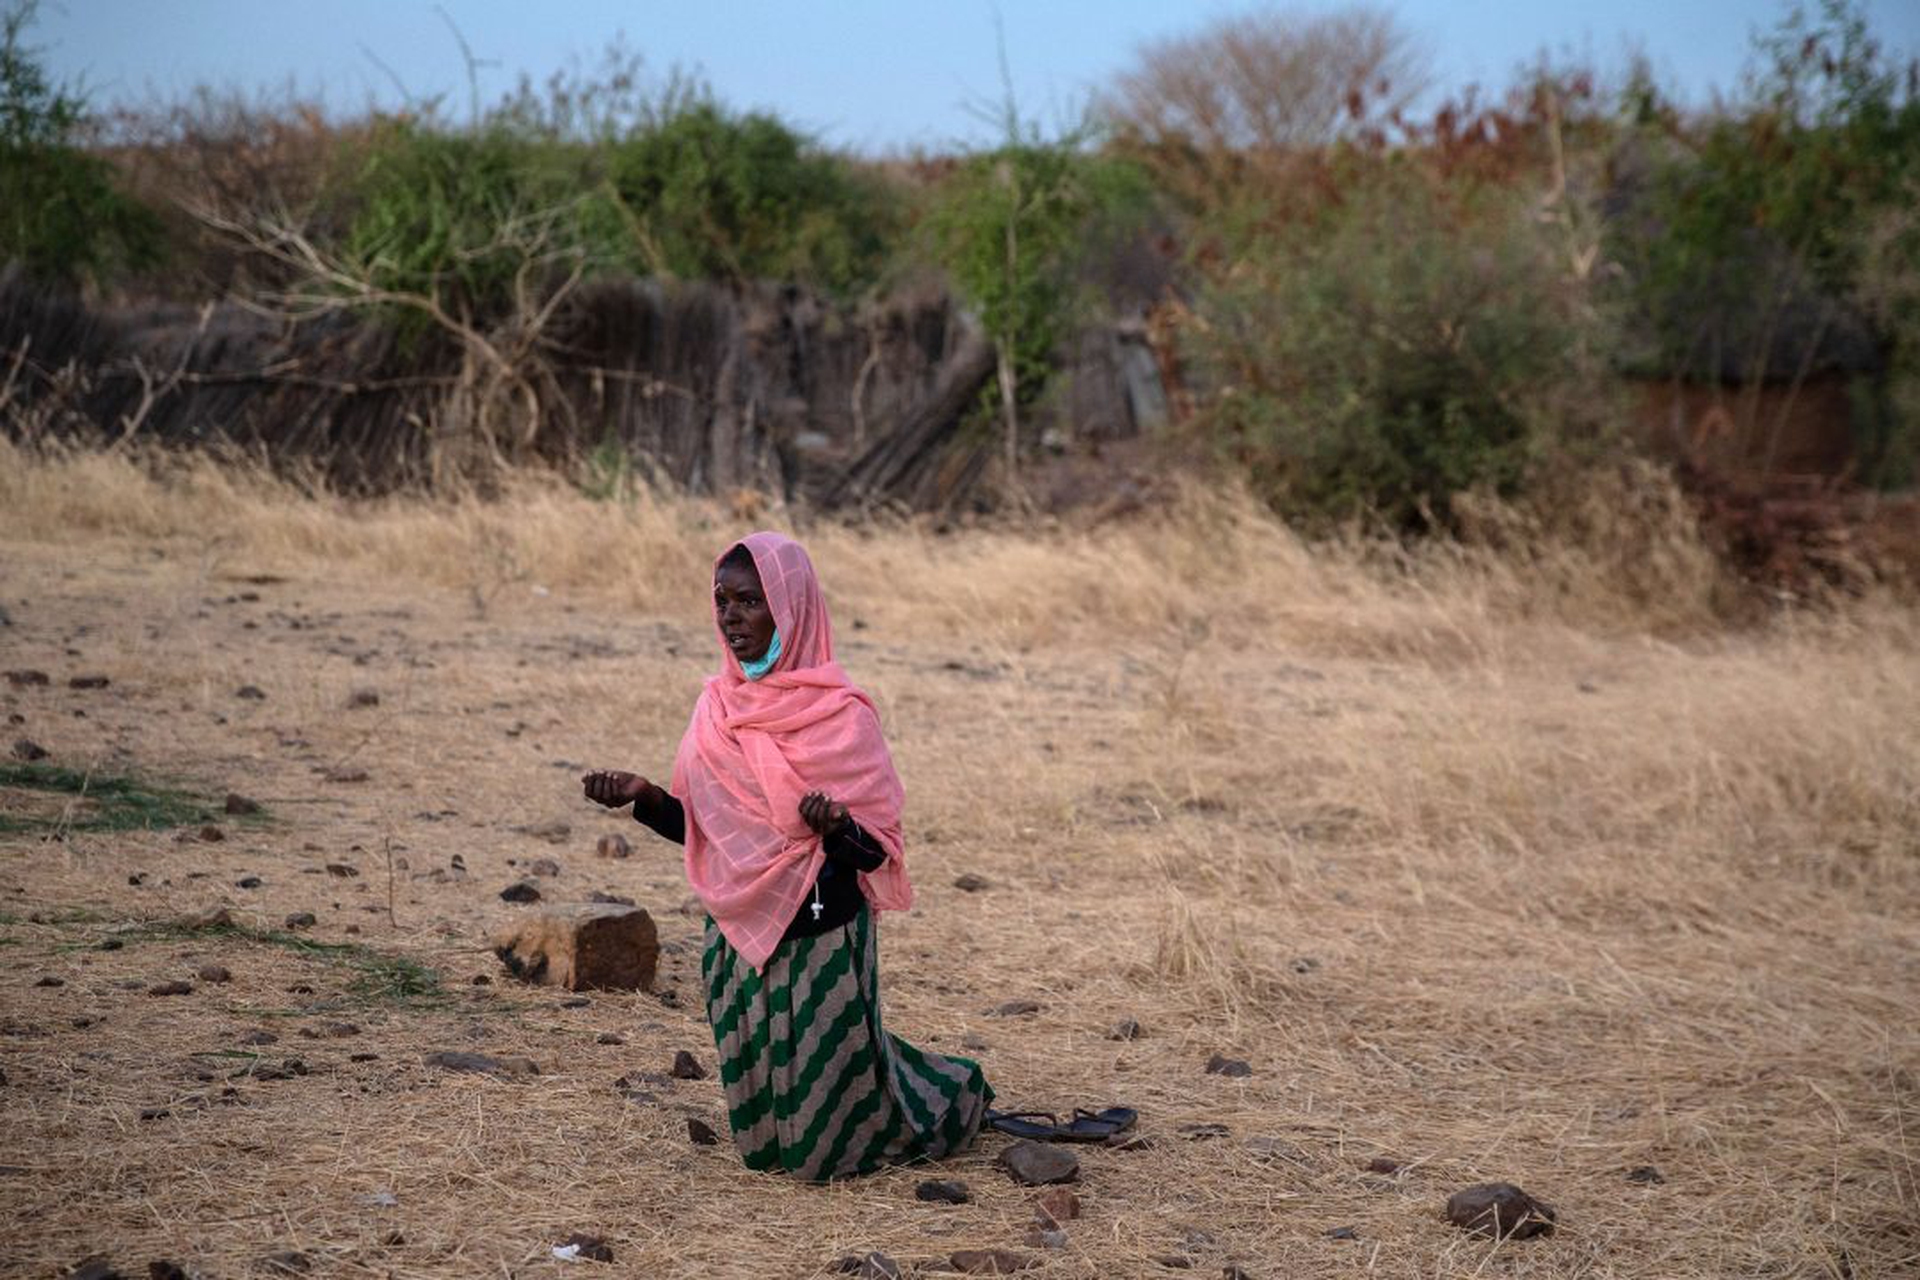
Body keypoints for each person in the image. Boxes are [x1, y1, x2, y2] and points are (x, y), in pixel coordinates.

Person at [582, 532, 993, 1181]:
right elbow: (708, 831)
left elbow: (872, 852)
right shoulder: (715, 708)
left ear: (790, 608)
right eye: (722, 600)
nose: (731, 616)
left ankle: (939, 1102)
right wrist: (647, 797)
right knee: (765, 1148)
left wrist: (834, 826)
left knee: (829, 1154)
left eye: (750, 600)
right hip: (737, 936)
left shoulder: (842, 717)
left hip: (821, 940)